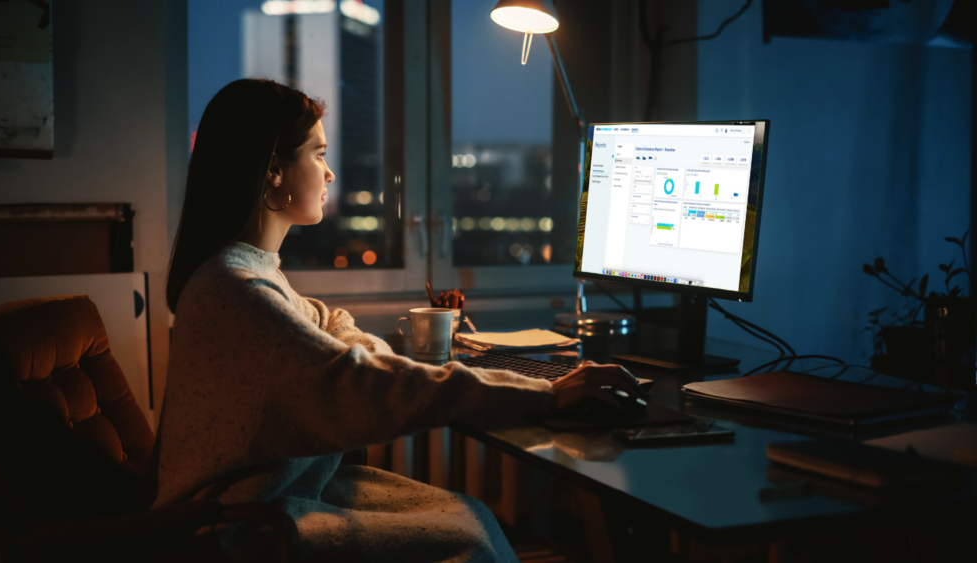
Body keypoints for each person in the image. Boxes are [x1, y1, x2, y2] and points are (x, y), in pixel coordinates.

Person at [154, 79, 643, 562]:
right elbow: (361, 384)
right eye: (319, 154)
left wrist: (350, 349)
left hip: (280, 500)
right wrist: (547, 392)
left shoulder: (249, 270)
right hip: (243, 528)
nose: (329, 175)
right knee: (468, 537)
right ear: (274, 170)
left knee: (470, 514)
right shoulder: (237, 289)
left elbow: (330, 319)